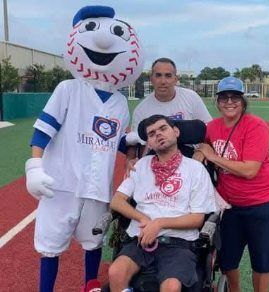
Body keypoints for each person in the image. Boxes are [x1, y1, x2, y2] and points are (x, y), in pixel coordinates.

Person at [24, 5, 144, 292]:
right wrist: (35, 167)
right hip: (60, 184)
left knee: (94, 242)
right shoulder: (68, 89)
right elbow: (44, 129)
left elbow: (111, 139)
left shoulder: (118, 102)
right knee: (50, 246)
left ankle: (89, 287)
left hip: (97, 188)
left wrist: (130, 151)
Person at [108, 114, 217, 292]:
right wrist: (144, 220)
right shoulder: (141, 165)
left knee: (171, 286)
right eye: (151, 134)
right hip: (139, 240)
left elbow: (197, 219)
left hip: (179, 243)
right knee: (115, 272)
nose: (158, 134)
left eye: (163, 128)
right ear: (149, 143)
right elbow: (117, 201)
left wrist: (159, 224)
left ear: (176, 132)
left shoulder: (195, 169)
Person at [195, 76, 269, 292]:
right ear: (217, 101)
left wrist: (213, 157)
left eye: (235, 97)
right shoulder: (211, 127)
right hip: (230, 205)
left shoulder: (256, 126)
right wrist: (199, 156)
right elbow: (200, 152)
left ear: (243, 101)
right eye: (224, 97)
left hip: (263, 202)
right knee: (227, 259)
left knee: (262, 260)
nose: (229, 102)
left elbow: (250, 170)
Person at [126, 57, 212, 161]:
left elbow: (209, 128)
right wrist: (133, 160)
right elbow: (138, 142)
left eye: (168, 76)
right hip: (158, 157)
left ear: (175, 79)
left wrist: (202, 150)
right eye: (158, 75)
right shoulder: (141, 110)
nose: (163, 81)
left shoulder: (191, 97)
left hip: (192, 156)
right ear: (151, 79)